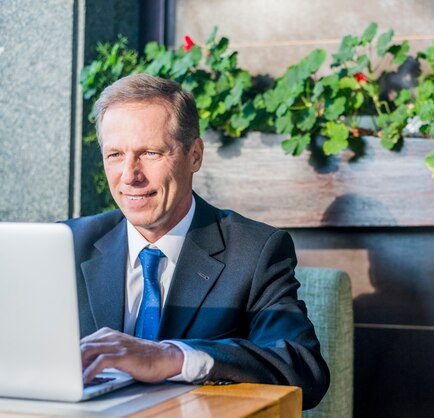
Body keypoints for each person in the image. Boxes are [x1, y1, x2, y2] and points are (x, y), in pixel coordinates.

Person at [64, 73, 330, 409]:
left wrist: (173, 357)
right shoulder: (66, 246)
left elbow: (302, 368)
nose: (129, 175)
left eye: (150, 152)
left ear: (195, 155)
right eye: (115, 154)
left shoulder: (255, 250)